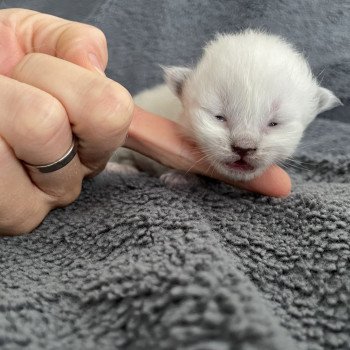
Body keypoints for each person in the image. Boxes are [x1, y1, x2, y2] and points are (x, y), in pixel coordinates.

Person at [0, 8, 291, 235]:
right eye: (219, 117)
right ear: (181, 89)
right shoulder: (156, 109)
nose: (245, 144)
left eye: (274, 124)